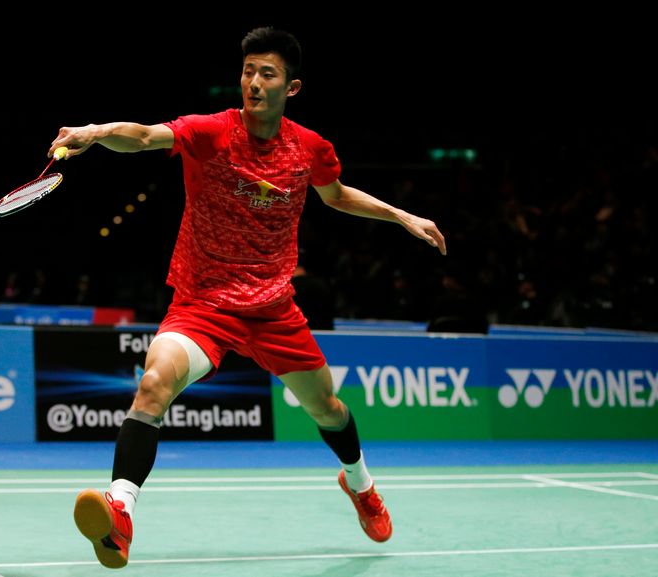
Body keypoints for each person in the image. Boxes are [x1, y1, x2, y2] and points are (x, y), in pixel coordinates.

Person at [48, 26, 447, 569]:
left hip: (274, 308)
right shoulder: (211, 132)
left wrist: (403, 216)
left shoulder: (309, 148)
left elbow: (335, 195)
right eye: (247, 72)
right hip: (203, 304)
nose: (254, 83)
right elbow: (143, 136)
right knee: (152, 385)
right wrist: (97, 131)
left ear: (293, 87)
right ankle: (120, 510)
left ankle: (360, 484)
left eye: (267, 74)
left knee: (326, 408)